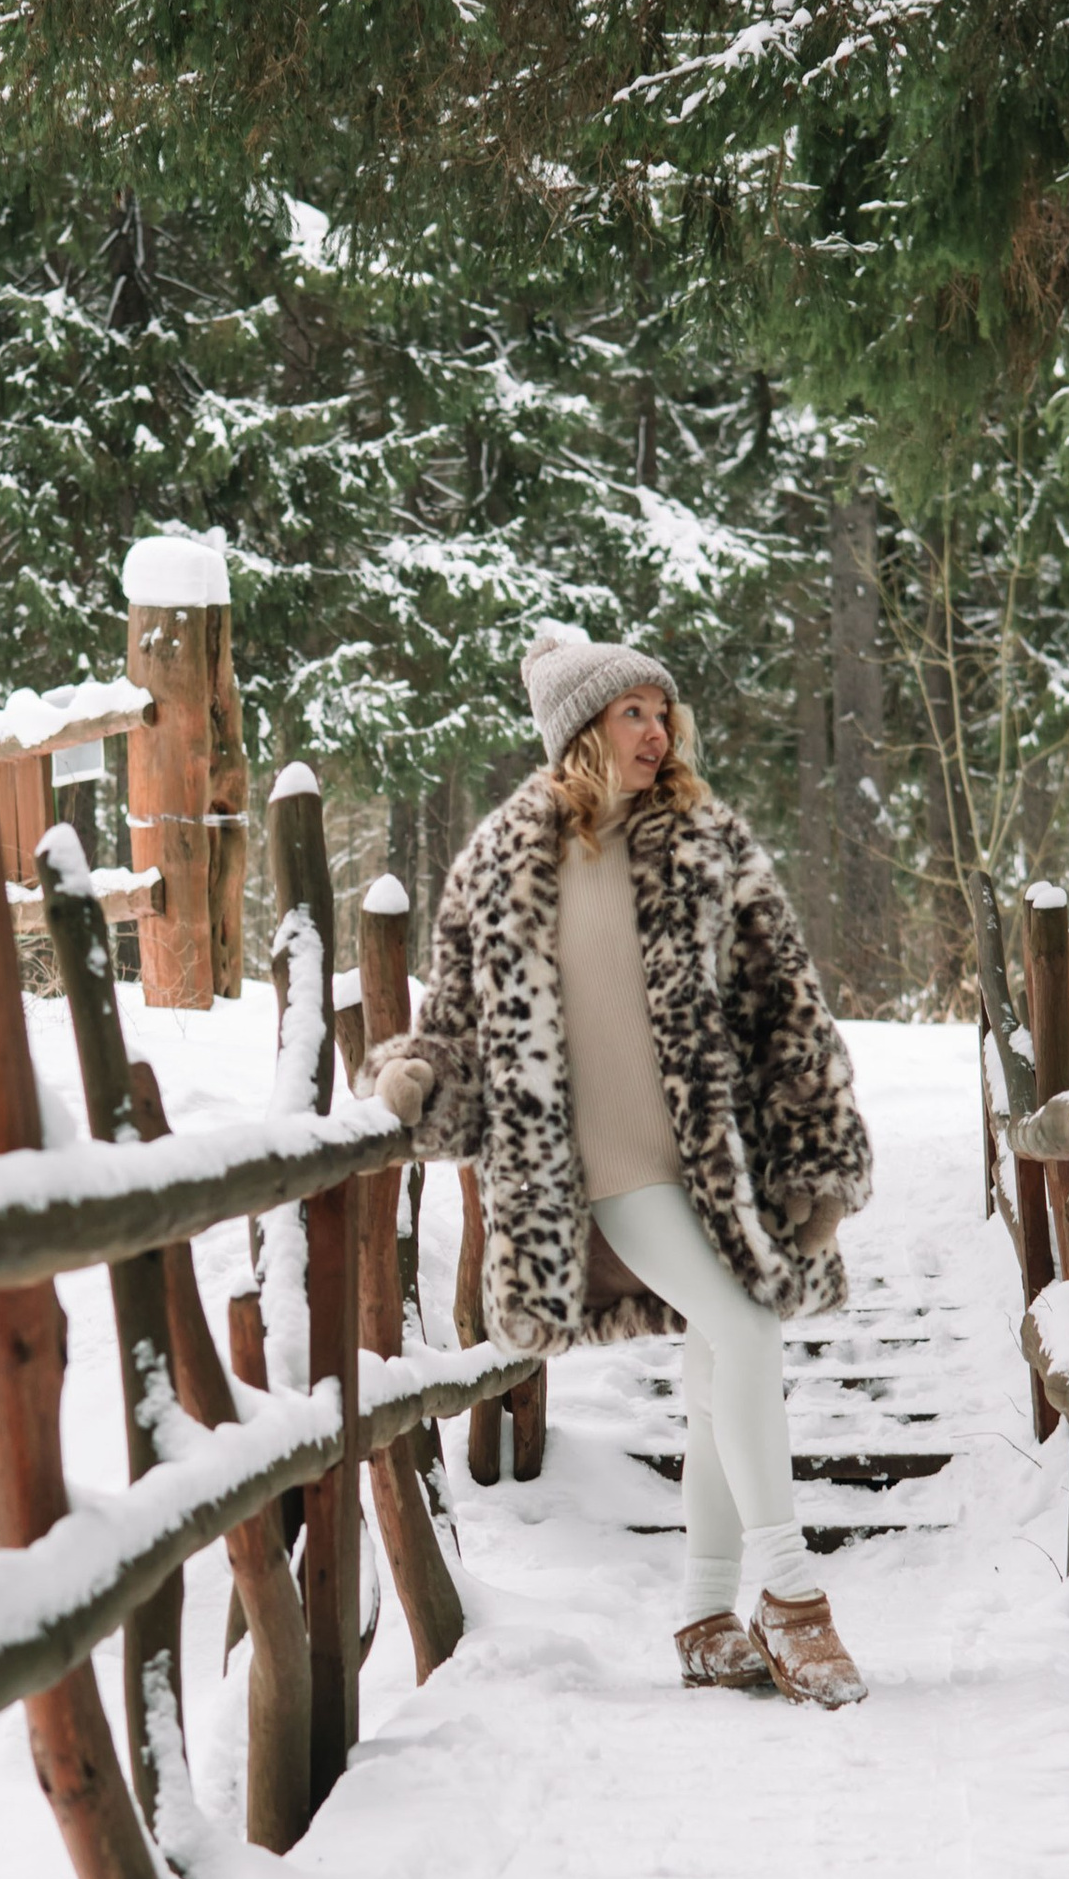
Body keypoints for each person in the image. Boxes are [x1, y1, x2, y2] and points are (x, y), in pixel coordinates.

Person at [372, 622, 874, 1704]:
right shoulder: (507, 861)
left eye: (661, 713)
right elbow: (454, 1018)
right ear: (579, 732)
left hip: (710, 1162)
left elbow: (788, 1003)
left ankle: (703, 1614)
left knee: (718, 1365)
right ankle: (788, 1596)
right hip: (600, 1169)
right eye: (632, 713)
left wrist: (817, 1161)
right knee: (740, 1328)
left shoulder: (702, 842)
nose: (657, 732)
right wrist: (417, 1073)